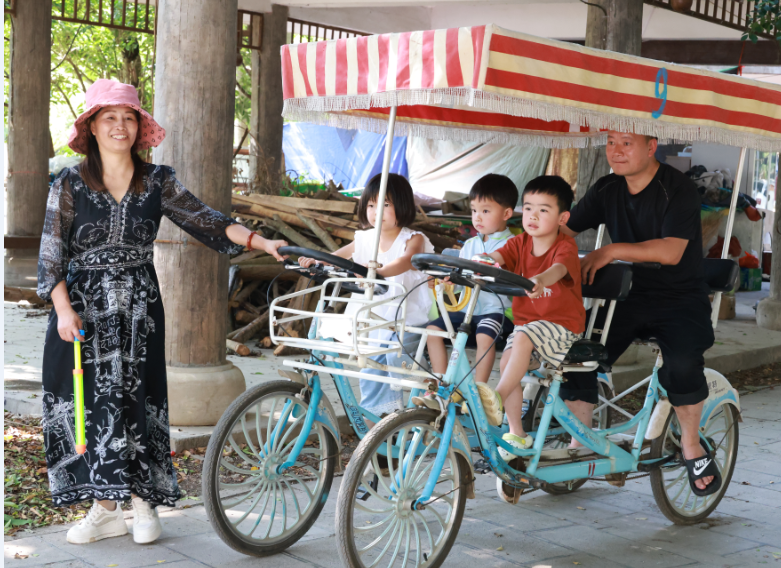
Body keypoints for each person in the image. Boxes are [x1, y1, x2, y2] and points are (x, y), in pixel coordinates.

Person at [37, 79, 288, 545]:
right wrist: (64, 310)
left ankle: (142, 502)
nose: (120, 125)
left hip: (138, 308)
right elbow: (51, 253)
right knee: (88, 403)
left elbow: (207, 219)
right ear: (91, 126)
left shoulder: (157, 180)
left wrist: (262, 242)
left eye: (129, 117)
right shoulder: (68, 184)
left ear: (139, 126)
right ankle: (104, 508)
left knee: (138, 398)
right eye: (109, 117)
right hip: (82, 310)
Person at [560, 131, 720, 496]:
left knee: (681, 365)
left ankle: (692, 444)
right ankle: (581, 440)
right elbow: (565, 229)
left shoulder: (677, 188)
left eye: (626, 143)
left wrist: (609, 250)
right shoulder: (606, 189)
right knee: (576, 352)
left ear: (651, 147)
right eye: (611, 142)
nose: (615, 151)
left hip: (680, 298)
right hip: (625, 296)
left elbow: (670, 251)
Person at [297, 173, 434, 418]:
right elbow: (338, 257)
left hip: (404, 322)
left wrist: (377, 272)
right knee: (368, 374)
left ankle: (421, 411)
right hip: (370, 320)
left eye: (385, 204)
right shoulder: (364, 238)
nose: (375, 211)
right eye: (371, 205)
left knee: (401, 369)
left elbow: (407, 261)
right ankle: (376, 430)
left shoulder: (413, 239)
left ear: (402, 206)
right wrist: (315, 261)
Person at [475, 176, 585, 461]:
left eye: (544, 210)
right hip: (529, 327)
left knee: (521, 338)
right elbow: (498, 255)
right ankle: (517, 432)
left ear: (563, 217)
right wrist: (484, 262)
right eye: (529, 207)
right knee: (507, 359)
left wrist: (539, 278)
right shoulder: (519, 242)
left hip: (561, 326)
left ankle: (496, 397)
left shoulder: (565, 246)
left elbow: (559, 269)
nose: (533, 215)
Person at [425, 174, 518, 384]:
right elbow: (461, 281)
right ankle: (441, 383)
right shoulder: (469, 246)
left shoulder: (513, 246)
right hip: (467, 310)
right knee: (433, 330)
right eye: (474, 210)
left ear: (506, 213)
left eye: (485, 211)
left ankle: (479, 389)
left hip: (497, 311)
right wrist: (449, 281)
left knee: (484, 336)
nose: (477, 217)